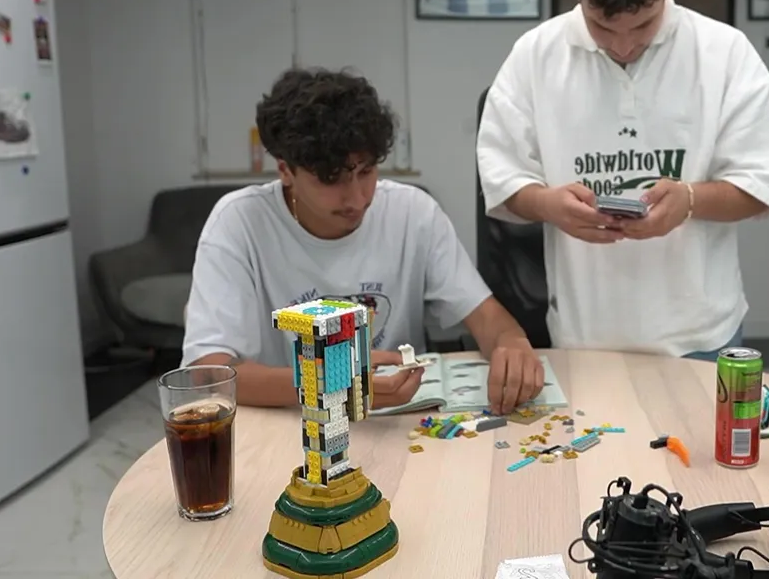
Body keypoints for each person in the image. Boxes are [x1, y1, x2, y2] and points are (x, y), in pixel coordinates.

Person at [476, 0, 769, 360]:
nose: (623, 45)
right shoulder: (535, 56)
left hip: (701, 337)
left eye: (643, 25)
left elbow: (762, 186)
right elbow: (502, 179)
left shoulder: (725, 53)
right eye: (602, 27)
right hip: (583, 337)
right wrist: (547, 205)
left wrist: (689, 201)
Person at [183, 67, 544, 413]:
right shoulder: (239, 222)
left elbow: (487, 317)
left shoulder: (413, 212)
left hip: (400, 424)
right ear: (285, 170)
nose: (356, 199)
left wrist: (511, 343)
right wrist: (332, 382)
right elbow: (209, 374)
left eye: (367, 171)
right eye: (331, 179)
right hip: (291, 423)